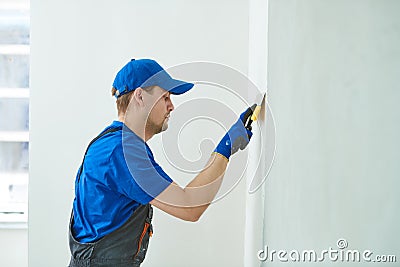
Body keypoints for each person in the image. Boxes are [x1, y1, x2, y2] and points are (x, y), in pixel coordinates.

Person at [68, 58, 255, 267]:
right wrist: (225, 148)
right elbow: (190, 206)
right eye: (165, 97)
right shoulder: (122, 152)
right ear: (139, 96)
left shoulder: (115, 144)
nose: (171, 106)